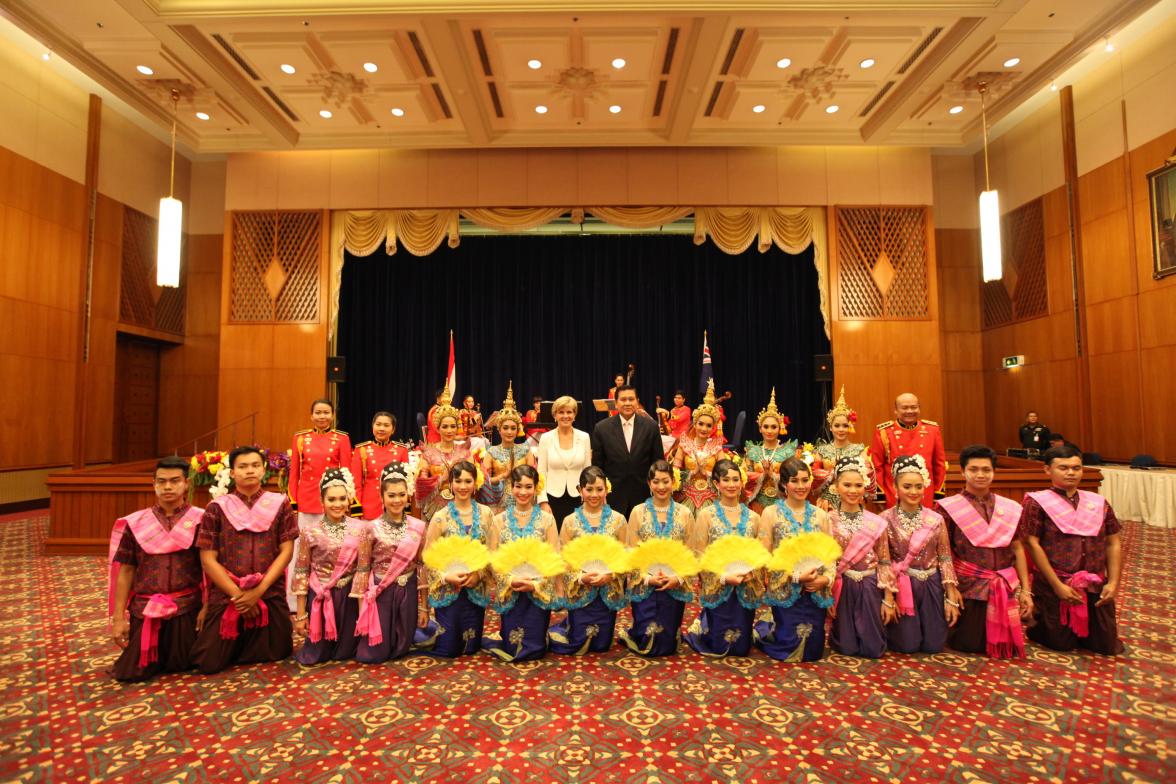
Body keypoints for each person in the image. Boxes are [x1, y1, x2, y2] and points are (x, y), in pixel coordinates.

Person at [191, 446, 297, 674]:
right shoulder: (216, 508)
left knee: (279, 651)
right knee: (208, 661)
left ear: (264, 470)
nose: (250, 471)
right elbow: (208, 559)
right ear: (232, 473)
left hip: (267, 590)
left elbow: (286, 551)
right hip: (229, 594)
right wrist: (238, 596)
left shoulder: (280, 503)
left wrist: (258, 592)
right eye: (243, 466)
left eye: (255, 465)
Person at [107, 456, 206, 682]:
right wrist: (118, 618)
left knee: (191, 664)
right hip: (146, 607)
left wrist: (207, 607)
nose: (168, 487)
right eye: (161, 481)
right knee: (131, 672)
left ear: (187, 483)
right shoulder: (137, 523)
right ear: (153, 484)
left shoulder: (201, 519)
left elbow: (209, 570)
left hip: (187, 606)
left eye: (174, 481)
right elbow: (126, 571)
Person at [1021, 444, 1123, 655]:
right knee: (1061, 643)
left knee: (1106, 646)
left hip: (1094, 583)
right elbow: (1032, 543)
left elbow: (1113, 542)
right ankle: (1039, 623)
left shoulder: (1098, 502)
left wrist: (1112, 582)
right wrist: (1057, 585)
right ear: (1047, 470)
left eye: (1076, 468)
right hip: (1056, 583)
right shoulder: (1037, 503)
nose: (1070, 473)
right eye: (1063, 467)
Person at [934, 444, 1032, 659]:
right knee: (968, 643)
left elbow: (1017, 548)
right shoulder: (947, 508)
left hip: (1003, 584)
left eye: (986, 470)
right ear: (962, 472)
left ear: (994, 472)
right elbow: (944, 553)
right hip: (969, 586)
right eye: (974, 469)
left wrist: (1026, 590)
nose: (980, 475)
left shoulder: (1009, 507)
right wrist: (950, 590)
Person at [755, 457, 834, 662]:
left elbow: (830, 555)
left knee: (813, 650)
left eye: (805, 480)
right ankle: (768, 630)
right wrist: (794, 576)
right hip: (785, 587)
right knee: (788, 646)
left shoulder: (820, 516)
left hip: (815, 589)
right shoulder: (770, 513)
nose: (801, 486)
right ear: (783, 484)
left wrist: (824, 580)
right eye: (794, 481)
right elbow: (764, 556)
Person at [618, 460, 697, 657]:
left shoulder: (685, 513)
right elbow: (630, 550)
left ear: (674, 482)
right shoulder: (637, 512)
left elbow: (691, 552)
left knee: (666, 643)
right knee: (647, 638)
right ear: (649, 484)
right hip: (644, 583)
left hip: (674, 585)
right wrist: (646, 578)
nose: (661, 487)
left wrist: (677, 578)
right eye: (656, 482)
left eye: (665, 481)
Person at [882, 455, 961, 654]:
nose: (913, 492)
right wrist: (888, 598)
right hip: (902, 585)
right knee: (907, 646)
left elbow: (944, 557)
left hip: (931, 584)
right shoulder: (885, 519)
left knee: (934, 646)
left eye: (919, 486)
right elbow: (884, 561)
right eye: (907, 486)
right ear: (896, 488)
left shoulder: (936, 519)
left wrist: (950, 595)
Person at [686, 459, 765, 658]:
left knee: (741, 647)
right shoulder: (706, 515)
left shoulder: (754, 518)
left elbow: (760, 553)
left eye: (735, 479)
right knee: (719, 644)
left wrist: (751, 572)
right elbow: (700, 554)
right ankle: (705, 623)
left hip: (745, 586)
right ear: (716, 484)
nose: (731, 484)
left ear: (742, 482)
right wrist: (722, 577)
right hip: (718, 585)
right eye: (726, 480)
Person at [484, 466, 561, 661]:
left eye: (529, 486)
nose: (523, 492)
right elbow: (493, 557)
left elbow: (554, 557)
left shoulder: (547, 520)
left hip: (538, 590)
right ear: (511, 487)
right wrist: (509, 579)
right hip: (510, 589)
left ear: (536, 488)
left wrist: (536, 583)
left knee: (535, 649)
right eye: (518, 486)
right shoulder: (499, 520)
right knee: (512, 645)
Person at [550, 466, 629, 655]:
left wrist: (610, 574)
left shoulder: (618, 520)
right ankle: (570, 623)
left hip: (607, 592)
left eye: (599, 489)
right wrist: (579, 578)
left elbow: (625, 556)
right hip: (580, 591)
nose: (594, 494)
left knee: (601, 645)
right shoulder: (569, 522)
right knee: (579, 640)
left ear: (606, 490)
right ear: (580, 490)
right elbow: (564, 560)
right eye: (589, 489)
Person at [354, 463, 427, 663]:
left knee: (402, 646)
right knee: (375, 653)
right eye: (391, 495)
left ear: (408, 496)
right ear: (382, 497)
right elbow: (362, 569)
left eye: (401, 495)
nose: (397, 500)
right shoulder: (370, 529)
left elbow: (421, 567)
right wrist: (363, 612)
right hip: (382, 593)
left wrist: (424, 608)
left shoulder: (418, 527)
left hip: (408, 590)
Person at [291, 468, 364, 665]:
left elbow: (364, 570)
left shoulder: (360, 529)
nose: (338, 504)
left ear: (349, 499)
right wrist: (300, 614)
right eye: (331, 499)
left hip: (349, 596)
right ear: (322, 501)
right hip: (321, 596)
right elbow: (301, 571)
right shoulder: (309, 532)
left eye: (342, 498)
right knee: (318, 653)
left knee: (350, 651)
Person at [423, 461, 493, 658]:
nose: (463, 486)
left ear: (475, 483)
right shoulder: (440, 517)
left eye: (468, 481)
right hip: (448, 589)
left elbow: (492, 551)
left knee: (472, 646)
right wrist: (446, 577)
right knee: (449, 648)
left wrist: (479, 575)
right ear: (451, 484)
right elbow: (429, 558)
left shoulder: (486, 514)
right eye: (458, 481)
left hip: (475, 588)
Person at [828, 456, 897, 659]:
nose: (853, 490)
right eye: (847, 484)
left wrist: (889, 598)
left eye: (858, 485)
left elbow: (884, 561)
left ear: (865, 487)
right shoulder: (827, 519)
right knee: (846, 648)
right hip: (843, 585)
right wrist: (826, 596)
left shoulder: (877, 522)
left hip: (870, 584)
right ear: (836, 486)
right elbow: (826, 561)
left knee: (873, 649)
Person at [288, 398, 352, 609]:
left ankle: (332, 594)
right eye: (318, 412)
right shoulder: (300, 438)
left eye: (326, 412)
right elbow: (294, 474)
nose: (322, 416)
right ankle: (297, 601)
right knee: (302, 552)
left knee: (333, 549)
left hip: (333, 502)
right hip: (307, 500)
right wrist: (294, 503)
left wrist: (346, 502)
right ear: (311, 415)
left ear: (332, 415)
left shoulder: (341, 439)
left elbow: (346, 473)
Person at [591, 385, 665, 519]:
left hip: (644, 497)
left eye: (631, 399)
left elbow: (658, 462)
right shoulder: (602, 428)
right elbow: (597, 467)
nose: (627, 403)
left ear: (637, 401)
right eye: (623, 399)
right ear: (616, 403)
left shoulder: (651, 427)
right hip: (613, 498)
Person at [869, 392, 946, 508]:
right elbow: (877, 467)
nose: (910, 411)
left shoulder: (932, 430)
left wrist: (938, 494)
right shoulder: (885, 432)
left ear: (919, 408)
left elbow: (939, 465)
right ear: (896, 410)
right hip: (894, 496)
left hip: (925, 495)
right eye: (904, 408)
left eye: (914, 407)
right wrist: (880, 498)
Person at [811, 386, 872, 510]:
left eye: (845, 425)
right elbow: (815, 476)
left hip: (853, 501)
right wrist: (832, 473)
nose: (841, 429)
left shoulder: (859, 450)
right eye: (837, 425)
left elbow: (868, 475)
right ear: (831, 427)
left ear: (850, 426)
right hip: (827, 502)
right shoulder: (822, 450)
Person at [671, 380, 728, 513]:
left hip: (712, 498)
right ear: (695, 424)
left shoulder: (716, 446)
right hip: (686, 497)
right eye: (701, 424)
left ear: (713, 428)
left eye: (709, 425)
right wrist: (693, 472)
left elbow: (725, 474)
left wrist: (706, 473)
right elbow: (674, 474)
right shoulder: (684, 444)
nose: (704, 428)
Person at [415, 391, 472, 522]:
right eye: (445, 427)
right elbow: (420, 485)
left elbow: (475, 482)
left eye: (453, 426)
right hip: (434, 512)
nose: (449, 430)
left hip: (461, 509)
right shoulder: (428, 454)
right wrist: (443, 478)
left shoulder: (464, 452)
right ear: (438, 428)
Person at [478, 382, 535, 514]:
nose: (509, 432)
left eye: (513, 428)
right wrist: (503, 476)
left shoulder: (526, 450)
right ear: (499, 429)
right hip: (498, 505)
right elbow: (485, 483)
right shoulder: (491, 452)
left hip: (523, 501)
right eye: (505, 428)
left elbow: (533, 479)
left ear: (518, 430)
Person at [537, 395, 592, 528]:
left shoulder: (584, 437)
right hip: (552, 498)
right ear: (554, 415)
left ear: (574, 415)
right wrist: (543, 502)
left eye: (569, 412)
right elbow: (541, 472)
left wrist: (588, 499)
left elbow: (587, 471)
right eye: (561, 412)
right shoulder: (546, 438)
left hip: (578, 498)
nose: (565, 416)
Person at [743, 388, 797, 513]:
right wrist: (763, 474)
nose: (769, 430)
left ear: (780, 428)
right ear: (760, 428)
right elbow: (745, 477)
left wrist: (772, 475)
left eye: (774, 427)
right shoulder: (753, 451)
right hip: (756, 502)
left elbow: (793, 478)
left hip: (782, 503)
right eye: (766, 427)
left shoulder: (787, 452)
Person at [352, 411, 410, 520]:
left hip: (394, 508)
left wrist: (405, 510)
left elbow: (407, 483)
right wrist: (356, 512)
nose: (381, 428)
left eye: (386, 425)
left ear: (393, 429)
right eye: (378, 424)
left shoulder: (401, 450)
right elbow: (356, 485)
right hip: (368, 508)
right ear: (372, 426)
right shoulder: (361, 449)